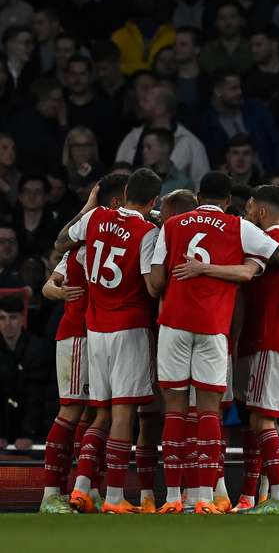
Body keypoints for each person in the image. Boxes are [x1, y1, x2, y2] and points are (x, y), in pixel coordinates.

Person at [148, 172, 279, 514]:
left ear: (198, 194)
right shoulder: (240, 227)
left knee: (174, 410)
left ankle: (174, 497)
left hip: (173, 324)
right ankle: (205, 497)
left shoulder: (173, 225)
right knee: (209, 411)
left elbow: (157, 282)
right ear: (227, 201)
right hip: (212, 328)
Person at [177, 185, 279, 514]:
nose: (245, 213)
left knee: (261, 421)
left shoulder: (261, 244)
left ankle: (276, 497)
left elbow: (246, 274)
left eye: (248, 207)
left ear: (261, 211)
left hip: (270, 342)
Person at [53, 168, 162, 514]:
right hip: (128, 329)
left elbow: (60, 242)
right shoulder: (146, 232)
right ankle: (115, 496)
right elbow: (151, 286)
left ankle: (82, 488)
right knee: (123, 414)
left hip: (95, 330)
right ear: (154, 201)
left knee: (99, 412)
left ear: (125, 192)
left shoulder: (96, 216)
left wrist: (87, 206)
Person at [38, 172, 126, 514]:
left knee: (95, 412)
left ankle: (86, 487)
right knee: (71, 410)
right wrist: (58, 292)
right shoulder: (80, 245)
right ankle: (50, 495)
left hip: (100, 335)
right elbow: (49, 285)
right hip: (76, 334)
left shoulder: (111, 241)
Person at [0, 295, 53, 452]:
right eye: (2, 318)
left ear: (22, 319)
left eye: (13, 317)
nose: (7, 323)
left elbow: (36, 396)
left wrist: (28, 433)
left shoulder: (37, 350)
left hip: (31, 433)